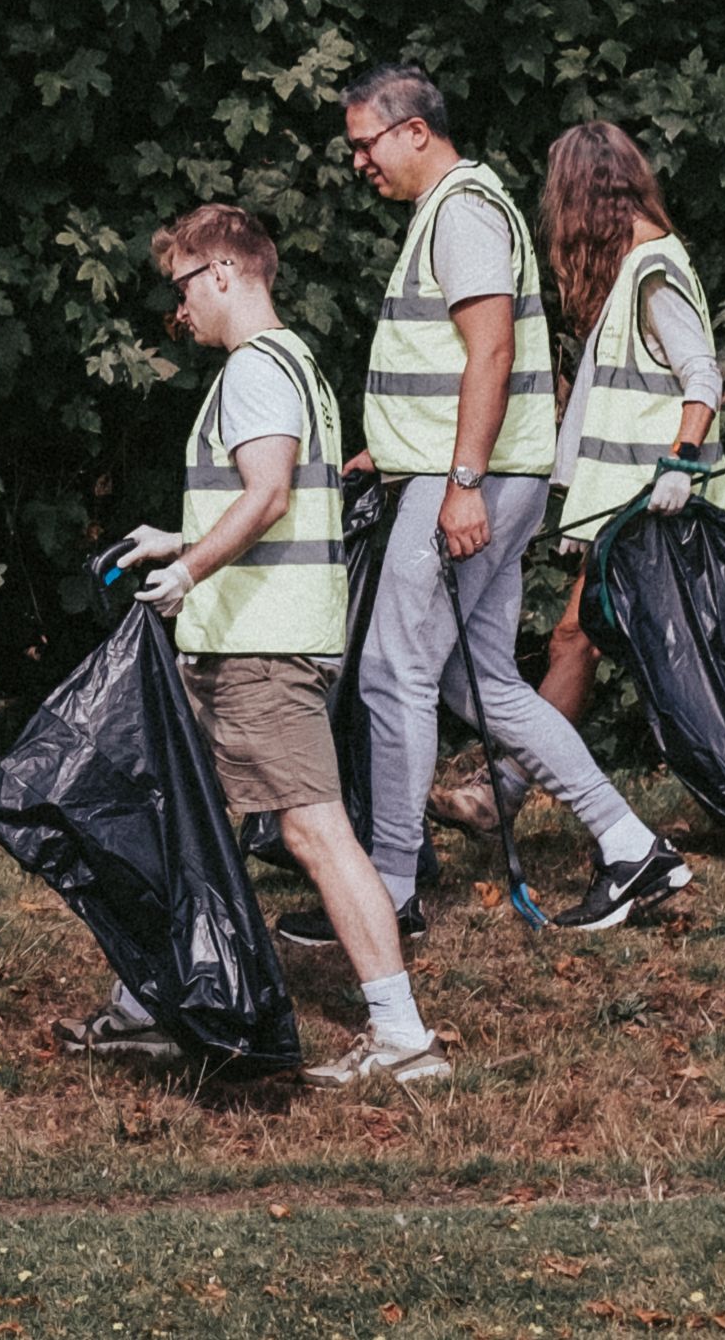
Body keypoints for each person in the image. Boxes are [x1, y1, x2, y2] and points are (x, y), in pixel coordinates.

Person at [66, 204, 446, 1087]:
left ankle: (402, 1037)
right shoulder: (294, 366)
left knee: (316, 834)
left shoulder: (254, 371)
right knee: (172, 815)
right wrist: (179, 534)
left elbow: (268, 493)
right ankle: (148, 1008)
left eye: (184, 287)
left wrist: (190, 570)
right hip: (251, 639)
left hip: (258, 650)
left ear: (226, 273)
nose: (180, 309)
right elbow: (258, 499)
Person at [314, 61, 692, 937]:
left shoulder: (464, 212)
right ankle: (631, 848)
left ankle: (389, 893)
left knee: (389, 671)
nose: (359, 163)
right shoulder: (445, 213)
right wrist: (397, 447)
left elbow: (490, 354)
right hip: (470, 476)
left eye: (365, 144)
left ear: (415, 130)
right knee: (481, 683)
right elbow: (453, 363)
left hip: (473, 487)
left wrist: (461, 483)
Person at [528, 118, 725, 738]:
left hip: (658, 510)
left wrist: (680, 463)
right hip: (638, 513)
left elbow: (704, 377)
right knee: (602, 642)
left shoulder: (651, 275)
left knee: (581, 638)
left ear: (582, 203)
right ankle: (503, 788)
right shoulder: (640, 270)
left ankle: (503, 788)